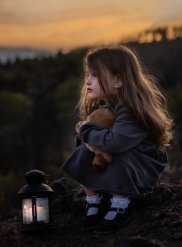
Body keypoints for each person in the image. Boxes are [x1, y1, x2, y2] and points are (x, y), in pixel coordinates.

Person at [62, 45, 173, 234]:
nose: (88, 81)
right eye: (88, 75)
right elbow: (92, 141)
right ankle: (94, 200)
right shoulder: (105, 105)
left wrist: (86, 130)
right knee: (82, 152)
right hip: (120, 160)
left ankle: (121, 204)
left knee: (121, 153)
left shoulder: (130, 108)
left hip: (141, 165)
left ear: (118, 80)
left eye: (95, 75)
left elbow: (115, 143)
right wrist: (88, 138)